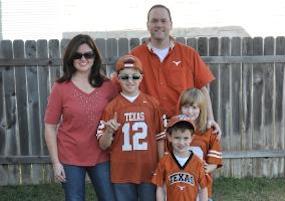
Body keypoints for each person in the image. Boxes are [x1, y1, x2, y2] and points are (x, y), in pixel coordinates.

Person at [44, 34, 117, 201]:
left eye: (88, 54)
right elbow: (50, 126)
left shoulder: (108, 86)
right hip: (70, 156)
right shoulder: (60, 87)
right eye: (77, 55)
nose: (83, 59)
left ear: (95, 57)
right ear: (71, 58)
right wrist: (56, 163)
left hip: (101, 154)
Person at [130, 4, 221, 136]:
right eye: (154, 21)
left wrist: (210, 119)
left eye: (163, 21)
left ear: (171, 24)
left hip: (184, 129)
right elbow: (123, 86)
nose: (159, 24)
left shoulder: (188, 54)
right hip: (149, 128)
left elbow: (202, 88)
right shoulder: (135, 56)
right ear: (148, 25)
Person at [96, 54, 165, 201]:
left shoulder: (153, 104)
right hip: (122, 171)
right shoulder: (111, 107)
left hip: (149, 170)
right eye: (125, 77)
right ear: (117, 78)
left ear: (141, 77)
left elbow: (160, 138)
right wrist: (109, 131)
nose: (130, 81)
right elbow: (103, 145)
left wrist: (162, 165)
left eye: (134, 76)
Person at [152, 114, 210, 201]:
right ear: (169, 137)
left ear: (192, 138)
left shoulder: (198, 162)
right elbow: (159, 187)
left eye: (186, 138)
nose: (181, 142)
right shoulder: (164, 161)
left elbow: (203, 189)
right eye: (177, 138)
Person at [179, 88, 223, 201]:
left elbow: (214, 163)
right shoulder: (175, 131)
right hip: (180, 183)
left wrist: (199, 171)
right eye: (186, 107)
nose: (189, 111)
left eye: (194, 107)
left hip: (201, 186)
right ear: (180, 108)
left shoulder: (209, 132)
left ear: (201, 109)